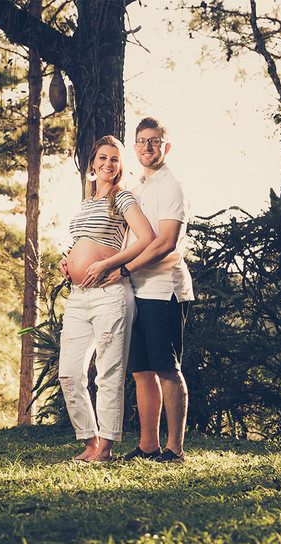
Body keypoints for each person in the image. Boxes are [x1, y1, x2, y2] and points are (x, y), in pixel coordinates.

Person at [57, 135, 154, 461]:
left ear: (120, 166)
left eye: (114, 159)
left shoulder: (122, 198)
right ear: (92, 164)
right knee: (69, 373)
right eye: (102, 157)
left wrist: (110, 264)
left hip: (110, 295)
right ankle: (89, 441)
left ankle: (107, 446)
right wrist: (68, 261)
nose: (108, 164)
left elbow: (147, 238)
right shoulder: (86, 204)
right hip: (79, 294)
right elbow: (84, 243)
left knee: (109, 372)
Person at [119, 117, 194, 464]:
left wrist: (123, 269)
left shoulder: (171, 186)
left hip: (164, 291)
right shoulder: (136, 190)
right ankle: (148, 446)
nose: (148, 147)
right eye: (142, 141)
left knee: (166, 368)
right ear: (134, 148)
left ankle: (175, 450)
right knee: (141, 371)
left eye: (155, 141)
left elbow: (165, 243)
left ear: (166, 146)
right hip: (134, 292)